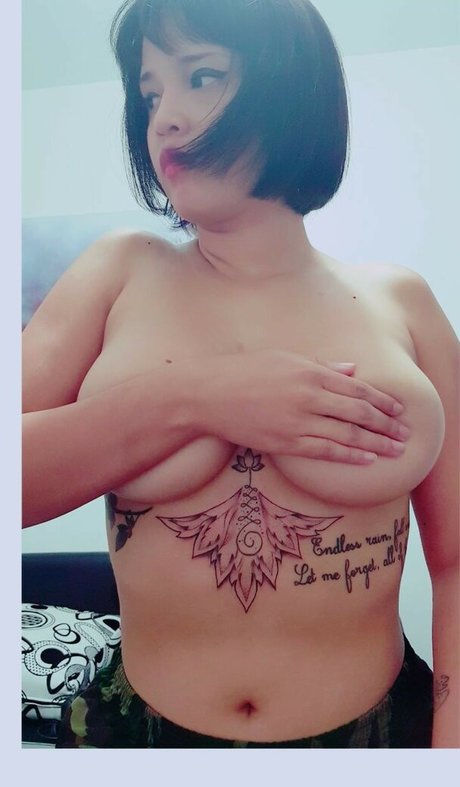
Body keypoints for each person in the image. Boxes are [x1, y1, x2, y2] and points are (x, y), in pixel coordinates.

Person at [22, 0, 458, 748]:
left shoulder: (403, 301)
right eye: (150, 94)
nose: (164, 117)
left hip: (380, 733)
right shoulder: (118, 271)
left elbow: (454, 562)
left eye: (201, 77)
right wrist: (197, 399)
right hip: (135, 737)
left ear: (292, 90)